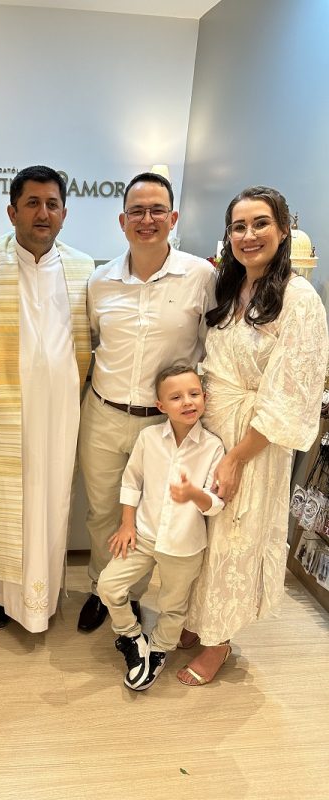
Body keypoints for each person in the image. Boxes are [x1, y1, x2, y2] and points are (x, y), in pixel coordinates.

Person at [177, 186, 328, 686]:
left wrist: (237, 457)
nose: (248, 235)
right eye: (238, 226)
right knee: (201, 530)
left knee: (233, 538)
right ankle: (196, 616)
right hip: (211, 428)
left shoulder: (300, 300)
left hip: (253, 440)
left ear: (283, 230)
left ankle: (218, 638)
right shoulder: (231, 286)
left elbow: (291, 392)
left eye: (260, 223)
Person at [77, 171, 217, 632]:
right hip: (103, 413)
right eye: (136, 211)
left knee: (149, 512)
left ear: (173, 218)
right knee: (102, 511)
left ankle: (130, 595)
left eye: (157, 210)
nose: (147, 219)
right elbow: (92, 341)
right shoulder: (100, 280)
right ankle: (102, 586)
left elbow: (211, 345)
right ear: (122, 221)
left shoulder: (200, 276)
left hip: (162, 424)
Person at [0, 165, 94, 632]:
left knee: (52, 499)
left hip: (61, 410)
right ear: (12, 211)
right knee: (3, 502)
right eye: (32, 204)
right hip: (5, 407)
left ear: (64, 213)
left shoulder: (84, 267)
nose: (43, 213)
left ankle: (44, 594)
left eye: (52, 204)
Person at [97, 365, 224, 691]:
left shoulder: (213, 447)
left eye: (194, 394)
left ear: (204, 397)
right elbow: (132, 481)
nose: (187, 402)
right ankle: (131, 636)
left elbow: (216, 503)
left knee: (173, 606)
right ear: (160, 405)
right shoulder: (148, 438)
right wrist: (127, 524)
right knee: (108, 586)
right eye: (176, 397)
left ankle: (159, 650)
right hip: (143, 535)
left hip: (184, 545)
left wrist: (193, 494)